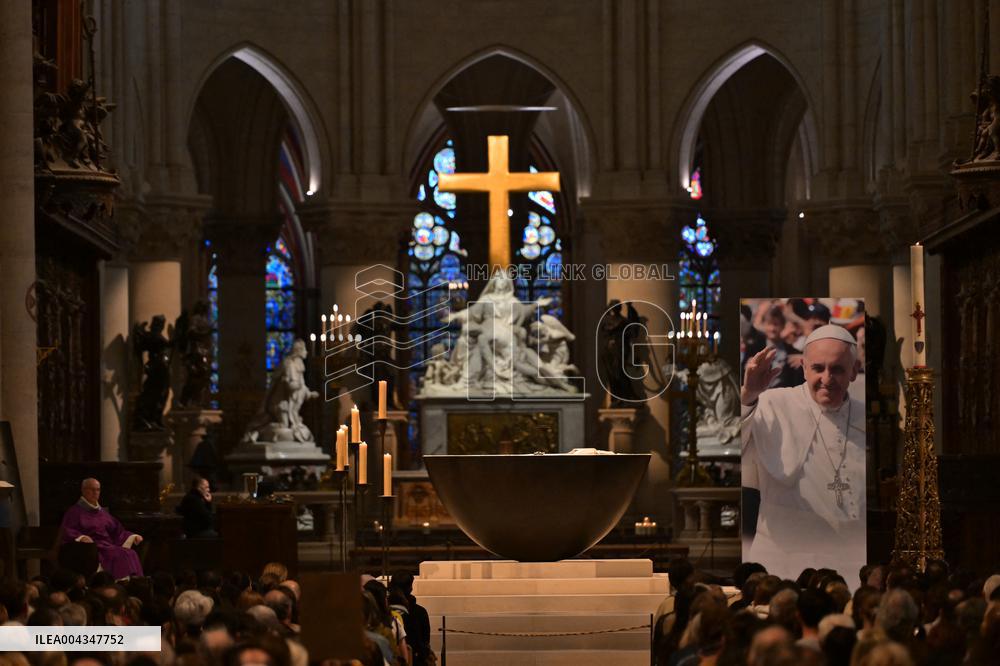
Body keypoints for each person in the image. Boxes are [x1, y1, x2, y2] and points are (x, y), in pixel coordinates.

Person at [740, 325, 865, 583]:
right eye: (818, 368)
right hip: (780, 561)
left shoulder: (864, 414)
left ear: (854, 370)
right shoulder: (773, 403)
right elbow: (735, 444)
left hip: (847, 560)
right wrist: (749, 395)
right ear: (804, 367)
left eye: (838, 369)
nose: (827, 378)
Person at [59, 478, 143, 579]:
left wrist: (133, 536)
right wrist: (81, 537)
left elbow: (118, 531)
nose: (95, 493)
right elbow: (67, 530)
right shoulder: (74, 511)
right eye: (92, 489)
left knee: (131, 553)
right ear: (83, 490)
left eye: (98, 490)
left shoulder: (103, 512)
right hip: (92, 548)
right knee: (120, 554)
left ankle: (133, 582)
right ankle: (118, 583)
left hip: (107, 546)